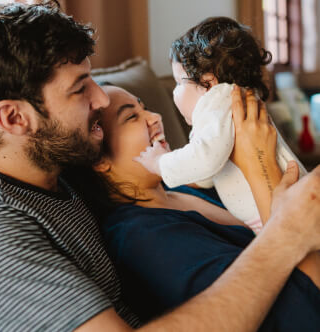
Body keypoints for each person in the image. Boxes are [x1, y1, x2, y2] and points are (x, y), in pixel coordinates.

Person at [0, 0, 320, 332]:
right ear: (14, 119)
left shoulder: (63, 183)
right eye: (79, 89)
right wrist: (284, 234)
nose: (101, 100)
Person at [77, 84, 320, 330]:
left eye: (145, 107)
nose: (156, 117)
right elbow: (301, 311)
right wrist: (260, 162)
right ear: (98, 160)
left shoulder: (181, 189)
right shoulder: (143, 238)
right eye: (131, 116)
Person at [135, 17, 305, 234]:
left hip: (281, 209)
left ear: (208, 82)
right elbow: (211, 167)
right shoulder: (228, 105)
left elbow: (206, 158)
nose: (175, 92)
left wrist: (160, 163)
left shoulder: (219, 101)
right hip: (276, 210)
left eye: (179, 82)